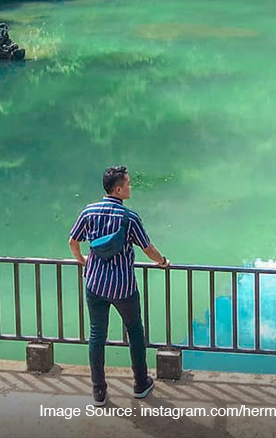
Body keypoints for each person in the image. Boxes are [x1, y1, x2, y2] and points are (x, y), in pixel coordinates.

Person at [68, 165, 170, 406]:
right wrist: (163, 261)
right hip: (123, 287)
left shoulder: (89, 211)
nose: (130, 187)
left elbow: (73, 241)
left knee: (96, 335)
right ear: (118, 189)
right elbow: (148, 248)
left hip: (95, 285)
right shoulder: (129, 218)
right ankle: (140, 384)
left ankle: (99, 392)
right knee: (135, 331)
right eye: (128, 184)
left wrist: (83, 261)